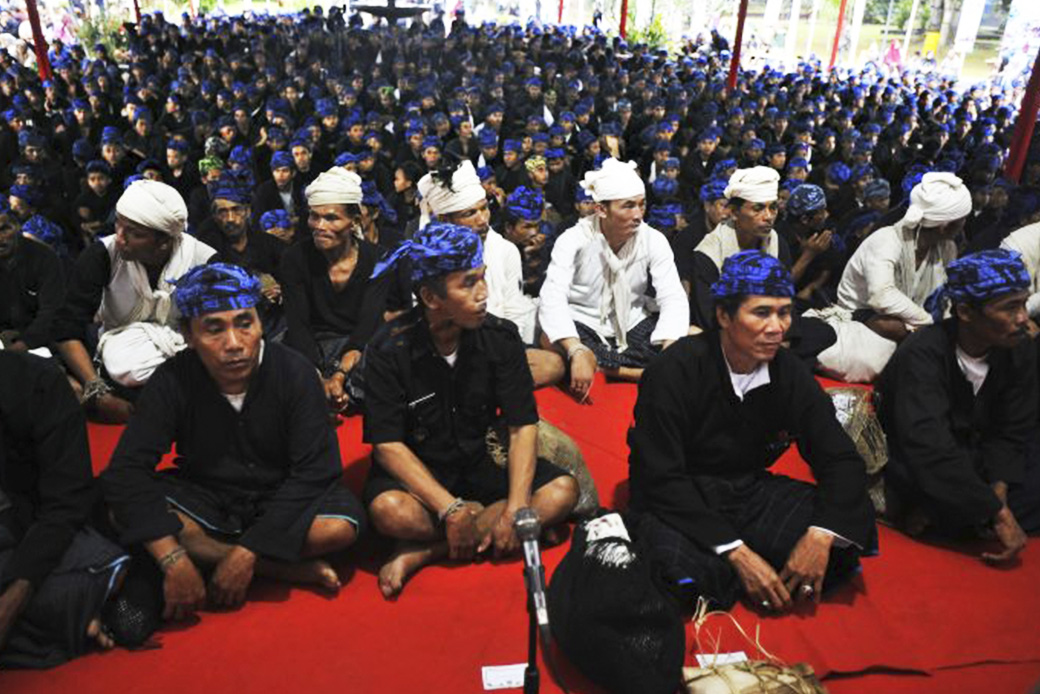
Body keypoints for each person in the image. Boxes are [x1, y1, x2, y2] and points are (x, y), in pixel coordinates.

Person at [102, 263, 364, 623]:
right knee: (116, 504)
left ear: (260, 324)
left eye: (245, 323)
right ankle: (279, 568)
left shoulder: (294, 371)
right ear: (188, 335)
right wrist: (172, 560)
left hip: (281, 493)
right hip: (206, 494)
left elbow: (317, 470)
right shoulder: (172, 380)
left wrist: (248, 552)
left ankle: (224, 555)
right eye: (214, 329)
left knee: (339, 527)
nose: (235, 344)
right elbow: (127, 471)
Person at [627, 250, 875, 612]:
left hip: (748, 491)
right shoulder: (674, 371)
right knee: (672, 570)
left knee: (847, 528)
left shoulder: (790, 373)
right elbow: (660, 477)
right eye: (761, 312)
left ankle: (742, 568)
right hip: (682, 494)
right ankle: (734, 566)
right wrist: (737, 552)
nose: (776, 327)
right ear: (724, 316)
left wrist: (819, 536)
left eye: (784, 312)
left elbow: (839, 458)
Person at [361, 222, 579, 599]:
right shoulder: (387, 349)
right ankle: (488, 527)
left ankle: (428, 552)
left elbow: (521, 427)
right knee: (388, 511)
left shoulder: (501, 338)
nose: (483, 295)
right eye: (468, 284)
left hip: (481, 460)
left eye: (483, 279)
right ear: (431, 297)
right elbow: (388, 446)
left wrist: (513, 508)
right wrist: (450, 509)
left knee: (562, 490)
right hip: (423, 472)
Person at [877, 249, 1040, 558]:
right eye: (1010, 308)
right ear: (965, 312)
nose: (1023, 319)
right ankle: (956, 514)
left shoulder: (1019, 349)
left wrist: (998, 495)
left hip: (980, 451)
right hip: (924, 455)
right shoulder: (921, 354)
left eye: (1023, 304)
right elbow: (927, 443)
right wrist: (998, 513)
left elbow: (1012, 429)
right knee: (920, 476)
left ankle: (957, 516)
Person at [0, 351, 128, 668]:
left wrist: (13, 599)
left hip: (30, 530)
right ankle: (71, 621)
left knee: (96, 563)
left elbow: (65, 502)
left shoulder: (36, 382)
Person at [54, 179, 217, 423]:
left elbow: (217, 330)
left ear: (165, 241)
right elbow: (67, 329)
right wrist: (97, 391)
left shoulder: (203, 260)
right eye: (119, 224)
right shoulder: (102, 255)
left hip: (185, 353)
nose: (120, 238)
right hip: (122, 364)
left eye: (135, 233)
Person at [539, 158, 689, 396]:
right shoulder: (573, 239)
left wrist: (670, 349)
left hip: (632, 322)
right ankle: (637, 371)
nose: (639, 215)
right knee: (551, 338)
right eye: (628, 206)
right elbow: (553, 297)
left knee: (690, 338)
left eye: (642, 204)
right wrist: (576, 350)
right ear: (600, 209)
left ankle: (612, 370)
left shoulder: (653, 239)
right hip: (584, 323)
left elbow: (672, 297)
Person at [417, 159, 563, 386]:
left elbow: (514, 313)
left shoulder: (505, 250)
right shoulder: (427, 256)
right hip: (444, 348)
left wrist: (502, 349)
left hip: (493, 345)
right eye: (470, 213)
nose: (482, 219)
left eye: (484, 208)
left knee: (553, 365)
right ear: (446, 219)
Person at [280, 167, 394, 411]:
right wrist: (318, 378)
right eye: (314, 216)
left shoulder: (379, 259)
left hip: (360, 346)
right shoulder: (294, 258)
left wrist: (340, 375)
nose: (319, 225)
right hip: (311, 345)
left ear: (354, 221)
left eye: (331, 218)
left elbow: (368, 325)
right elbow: (298, 325)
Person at [837, 172, 970, 342]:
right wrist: (929, 324)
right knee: (891, 327)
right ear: (944, 227)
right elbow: (881, 296)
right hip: (860, 314)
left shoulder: (947, 248)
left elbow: (945, 295)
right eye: (962, 219)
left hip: (912, 318)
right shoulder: (885, 240)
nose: (965, 224)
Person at [0, 202, 65, 357]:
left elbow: (51, 311)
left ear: (17, 227)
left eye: (4, 229)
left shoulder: (44, 257)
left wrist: (25, 343)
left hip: (40, 341)